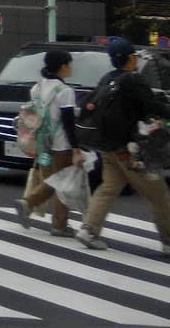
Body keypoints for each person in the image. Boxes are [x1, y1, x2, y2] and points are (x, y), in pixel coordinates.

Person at [78, 37, 170, 251]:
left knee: (109, 187)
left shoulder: (107, 79)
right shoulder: (133, 80)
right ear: (130, 57)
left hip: (108, 146)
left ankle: (88, 230)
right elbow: (151, 106)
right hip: (130, 149)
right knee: (159, 192)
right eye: (134, 55)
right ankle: (168, 240)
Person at [15, 50, 85, 236]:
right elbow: (68, 122)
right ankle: (52, 220)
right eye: (69, 64)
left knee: (51, 180)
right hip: (61, 145)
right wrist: (76, 148)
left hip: (42, 143)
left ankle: (54, 220)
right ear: (62, 66)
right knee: (61, 183)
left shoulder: (37, 87)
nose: (71, 68)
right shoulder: (65, 91)